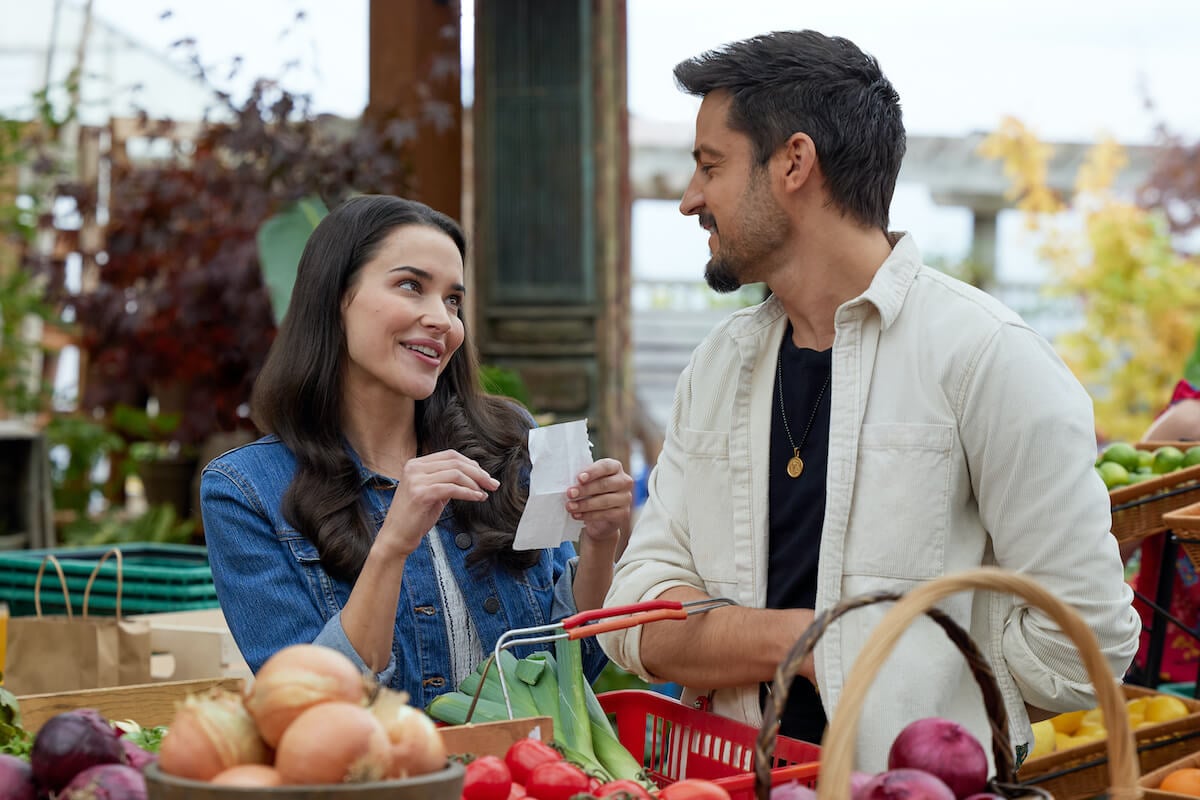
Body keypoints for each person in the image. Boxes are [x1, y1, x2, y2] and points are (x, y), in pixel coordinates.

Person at [599, 30, 1140, 770]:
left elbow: (1083, 650)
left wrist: (933, 703)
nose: (691, 197)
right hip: (724, 780)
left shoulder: (988, 356)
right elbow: (635, 618)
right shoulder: (718, 367)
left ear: (794, 162)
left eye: (709, 165)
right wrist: (802, 640)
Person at [200, 195, 633, 706]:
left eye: (453, 300)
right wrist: (393, 544)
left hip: (524, 777)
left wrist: (603, 542)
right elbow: (309, 708)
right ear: (336, 297)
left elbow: (569, 667)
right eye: (411, 286)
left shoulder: (505, 440)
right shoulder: (246, 491)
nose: (442, 320)